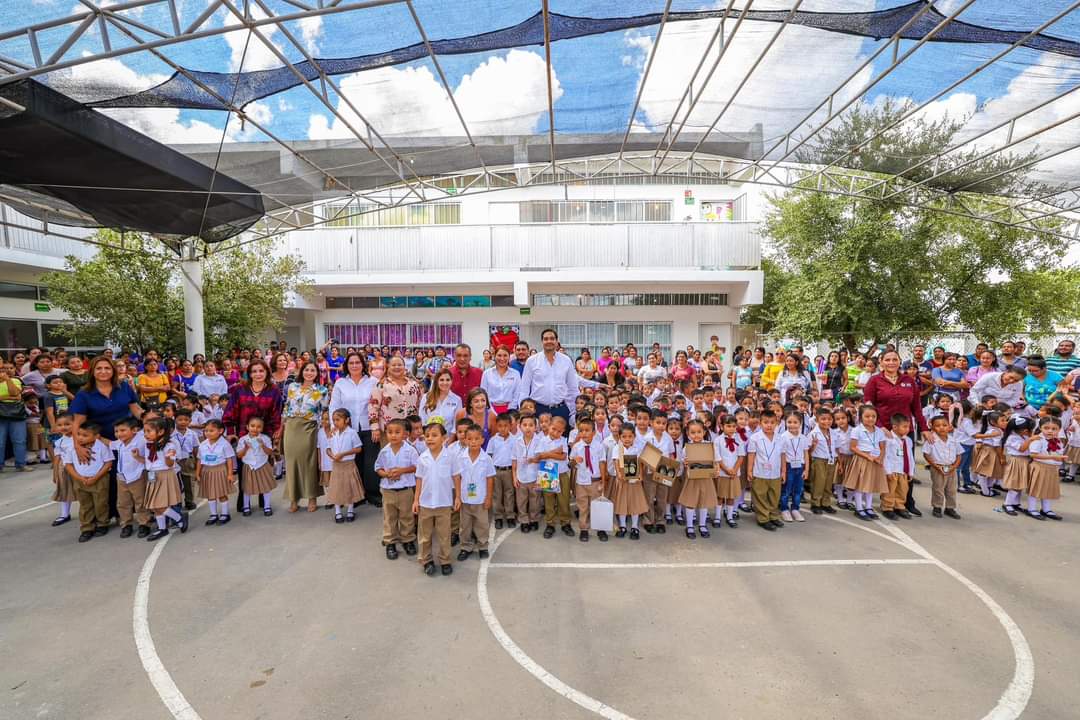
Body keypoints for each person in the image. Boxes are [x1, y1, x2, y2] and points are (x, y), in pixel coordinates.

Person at [70, 356, 143, 518]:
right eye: (99, 368)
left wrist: (148, 417)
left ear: (113, 370)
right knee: (107, 478)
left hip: (126, 438)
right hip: (100, 441)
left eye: (107, 368)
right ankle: (106, 515)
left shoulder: (123, 387)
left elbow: (136, 409)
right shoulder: (84, 393)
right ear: (92, 372)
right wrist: (78, 446)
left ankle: (128, 512)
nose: (103, 372)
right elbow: (77, 423)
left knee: (129, 474)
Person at [222, 359, 282, 513]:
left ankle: (264, 502)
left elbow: (277, 413)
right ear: (249, 373)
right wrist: (230, 433)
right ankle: (244, 503)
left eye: (261, 371)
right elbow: (230, 412)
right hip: (244, 436)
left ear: (267, 372)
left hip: (265, 436)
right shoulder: (239, 390)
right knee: (245, 471)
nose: (258, 374)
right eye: (254, 371)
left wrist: (275, 433)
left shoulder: (273, 390)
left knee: (263, 469)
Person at [328, 352, 380, 506]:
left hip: (369, 426)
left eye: (358, 362)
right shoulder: (341, 383)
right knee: (353, 463)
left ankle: (373, 494)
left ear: (363, 364)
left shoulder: (373, 381)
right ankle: (356, 495)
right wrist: (334, 425)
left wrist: (377, 426)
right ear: (346, 366)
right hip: (348, 429)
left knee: (371, 462)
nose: (355, 365)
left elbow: (378, 404)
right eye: (351, 363)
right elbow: (334, 405)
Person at [413, 421, 458, 577]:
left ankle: (445, 560)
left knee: (444, 534)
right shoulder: (422, 458)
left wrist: (458, 496)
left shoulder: (450, 456)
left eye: (434, 435)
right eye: (427, 436)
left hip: (444, 503)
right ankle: (426, 560)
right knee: (425, 535)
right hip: (425, 503)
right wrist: (416, 500)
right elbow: (419, 479)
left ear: (444, 438)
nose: (430, 439)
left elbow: (456, 476)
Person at [516, 329, 579, 432]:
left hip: (560, 409)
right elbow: (524, 388)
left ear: (557, 341)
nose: (549, 341)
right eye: (546, 339)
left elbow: (573, 389)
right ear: (542, 341)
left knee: (561, 443)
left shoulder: (566, 360)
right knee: (538, 444)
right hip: (538, 410)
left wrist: (574, 412)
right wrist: (523, 412)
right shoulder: (532, 361)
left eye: (552, 338)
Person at [374, 418, 419, 560]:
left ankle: (408, 540)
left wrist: (402, 471)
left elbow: (417, 467)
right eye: (390, 432)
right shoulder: (384, 452)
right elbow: (378, 468)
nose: (393, 435)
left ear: (405, 434)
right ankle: (390, 542)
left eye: (397, 432)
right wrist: (386, 474)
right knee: (390, 517)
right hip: (388, 490)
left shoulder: (410, 450)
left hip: (405, 490)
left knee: (407, 517)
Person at [140, 417, 188, 541]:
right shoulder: (148, 445)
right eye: (144, 431)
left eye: (149, 431)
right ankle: (162, 528)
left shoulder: (169, 445)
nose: (146, 434)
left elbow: (170, 464)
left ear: (160, 432)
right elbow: (148, 462)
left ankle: (178, 518)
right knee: (154, 505)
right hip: (152, 475)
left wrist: (168, 457)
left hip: (164, 475)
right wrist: (136, 457)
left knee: (160, 504)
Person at [65, 421, 113, 542]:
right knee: (85, 505)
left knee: (101, 503)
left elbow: (108, 463)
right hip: (80, 480)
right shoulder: (73, 447)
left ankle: (102, 524)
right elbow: (68, 465)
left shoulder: (101, 446)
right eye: (79, 434)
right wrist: (79, 478)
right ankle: (87, 528)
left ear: (96, 436)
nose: (80, 438)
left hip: (99, 479)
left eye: (85, 435)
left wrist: (95, 477)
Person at [453, 424, 495, 560]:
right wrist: (458, 497)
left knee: (482, 524)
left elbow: (489, 479)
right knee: (465, 525)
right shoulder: (460, 458)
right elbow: (457, 477)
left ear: (482, 440)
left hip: (480, 498)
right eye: (470, 439)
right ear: (465, 440)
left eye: (477, 439)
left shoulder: (486, 459)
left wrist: (488, 498)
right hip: (465, 498)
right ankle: (466, 546)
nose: (473, 442)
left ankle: (482, 546)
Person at [111, 417, 152, 539]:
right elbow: (108, 443)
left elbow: (149, 459)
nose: (119, 434)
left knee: (141, 501)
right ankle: (126, 524)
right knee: (123, 502)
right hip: (122, 477)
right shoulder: (119, 443)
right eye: (117, 431)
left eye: (123, 430)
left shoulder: (142, 441)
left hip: (138, 475)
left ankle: (144, 523)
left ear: (134, 430)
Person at [845, 405, 887, 522]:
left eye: (873, 416)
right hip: (862, 459)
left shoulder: (878, 431)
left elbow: (883, 447)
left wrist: (880, 458)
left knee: (870, 485)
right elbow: (853, 447)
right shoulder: (857, 430)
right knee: (860, 485)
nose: (870, 419)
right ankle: (859, 508)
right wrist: (868, 456)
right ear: (861, 417)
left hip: (875, 460)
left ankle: (868, 507)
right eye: (867, 416)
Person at [369, 356, 424, 442]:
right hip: (390, 432)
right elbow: (373, 406)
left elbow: (420, 405)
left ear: (404, 366)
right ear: (388, 367)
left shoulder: (414, 385)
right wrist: (375, 428)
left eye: (399, 365)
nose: (397, 367)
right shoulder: (381, 385)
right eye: (393, 365)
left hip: (411, 432)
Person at [570, 416, 607, 542]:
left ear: (594, 431)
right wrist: (575, 461)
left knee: (597, 506)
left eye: (587, 430)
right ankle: (584, 529)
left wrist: (603, 479)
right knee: (583, 507)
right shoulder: (576, 447)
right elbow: (571, 463)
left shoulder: (599, 446)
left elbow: (602, 462)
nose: (584, 433)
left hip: (595, 481)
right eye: (581, 430)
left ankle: (600, 529)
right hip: (581, 482)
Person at [324, 408, 364, 523]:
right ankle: (337, 511)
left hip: (348, 464)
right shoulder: (333, 433)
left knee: (349, 487)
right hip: (336, 465)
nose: (335, 422)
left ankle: (350, 509)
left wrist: (343, 454)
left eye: (338, 419)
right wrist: (332, 455)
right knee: (337, 488)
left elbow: (358, 449)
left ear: (347, 420)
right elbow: (328, 448)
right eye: (334, 420)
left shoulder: (352, 433)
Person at [747, 410, 784, 530]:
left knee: (774, 495)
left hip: (775, 473)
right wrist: (749, 471)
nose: (769, 425)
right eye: (766, 422)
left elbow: (783, 455)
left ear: (777, 423)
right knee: (760, 495)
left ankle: (773, 516)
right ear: (760, 423)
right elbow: (751, 455)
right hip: (760, 472)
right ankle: (763, 518)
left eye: (772, 422)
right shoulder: (755, 438)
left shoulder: (780, 438)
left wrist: (783, 471)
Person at [610, 423, 648, 539]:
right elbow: (616, 462)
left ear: (634, 437)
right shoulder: (617, 448)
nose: (627, 439)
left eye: (630, 436)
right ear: (620, 437)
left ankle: (635, 527)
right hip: (622, 480)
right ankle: (622, 526)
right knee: (622, 503)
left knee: (634, 503)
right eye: (624, 437)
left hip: (634, 480)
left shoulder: (637, 448)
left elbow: (641, 463)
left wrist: (641, 475)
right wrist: (618, 474)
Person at [197, 419, 237, 525]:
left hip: (220, 470)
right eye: (206, 431)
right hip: (207, 471)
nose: (208, 433)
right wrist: (197, 473)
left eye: (211, 430)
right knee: (210, 494)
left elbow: (229, 460)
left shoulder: (225, 444)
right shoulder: (203, 444)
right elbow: (199, 460)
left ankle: (225, 514)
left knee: (221, 493)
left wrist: (230, 474)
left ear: (220, 431)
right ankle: (213, 514)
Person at [235, 416, 276, 517]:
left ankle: (267, 506)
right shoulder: (243, 439)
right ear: (247, 427)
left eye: (258, 427)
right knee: (247, 488)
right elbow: (239, 455)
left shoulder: (265, 438)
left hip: (262, 465)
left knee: (265, 487)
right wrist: (245, 448)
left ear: (262, 428)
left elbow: (270, 452)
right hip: (249, 466)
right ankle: (246, 507)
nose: (255, 429)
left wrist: (263, 446)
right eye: (252, 426)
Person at [923, 416, 963, 519]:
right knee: (938, 488)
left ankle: (950, 508)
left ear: (949, 426)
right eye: (938, 425)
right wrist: (935, 466)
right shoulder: (931, 440)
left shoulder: (953, 440)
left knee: (952, 489)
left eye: (944, 425)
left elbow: (959, 454)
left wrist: (954, 467)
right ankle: (937, 507)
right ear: (932, 427)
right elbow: (926, 454)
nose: (942, 428)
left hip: (951, 468)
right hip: (938, 468)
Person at [1026, 418, 1066, 520]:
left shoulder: (1058, 441)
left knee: (1047, 489)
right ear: (1040, 428)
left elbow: (1058, 454)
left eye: (1054, 429)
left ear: (1059, 429)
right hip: (1040, 467)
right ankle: (1031, 509)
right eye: (1046, 428)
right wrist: (1052, 457)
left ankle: (1046, 509)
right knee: (1035, 488)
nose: (1050, 431)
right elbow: (1033, 455)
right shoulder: (1038, 440)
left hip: (1052, 469)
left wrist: (1059, 459)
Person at [778, 412, 810, 522]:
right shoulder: (783, 437)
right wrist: (783, 471)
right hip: (788, 466)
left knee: (798, 489)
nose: (792, 424)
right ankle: (784, 509)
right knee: (786, 489)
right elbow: (782, 455)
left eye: (795, 422)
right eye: (789, 422)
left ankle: (795, 508)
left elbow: (806, 454)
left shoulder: (804, 438)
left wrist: (806, 469)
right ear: (785, 423)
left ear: (800, 423)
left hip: (800, 466)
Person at [881, 415, 915, 520]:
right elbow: (885, 456)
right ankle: (887, 508)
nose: (907, 429)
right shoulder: (888, 439)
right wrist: (888, 471)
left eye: (908, 427)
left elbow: (910, 456)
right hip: (892, 470)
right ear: (895, 427)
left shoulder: (908, 440)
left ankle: (899, 506)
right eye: (904, 427)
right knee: (890, 490)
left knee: (902, 490)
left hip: (903, 470)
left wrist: (910, 471)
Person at [0, 362, 29, 473]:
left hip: (17, 413)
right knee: (0, 442)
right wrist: (9, 397)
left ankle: (21, 464)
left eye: (10, 368)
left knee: (20, 440)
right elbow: (13, 396)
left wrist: (7, 379)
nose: (7, 371)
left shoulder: (16, 380)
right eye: (4, 369)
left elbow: (16, 394)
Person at [480, 346, 521, 414]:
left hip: (510, 411)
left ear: (509, 357)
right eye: (499, 355)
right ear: (494, 356)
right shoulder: (486, 374)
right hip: (490, 410)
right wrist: (492, 412)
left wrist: (510, 411)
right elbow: (483, 394)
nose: (502, 358)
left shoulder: (516, 374)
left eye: (505, 355)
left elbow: (517, 394)